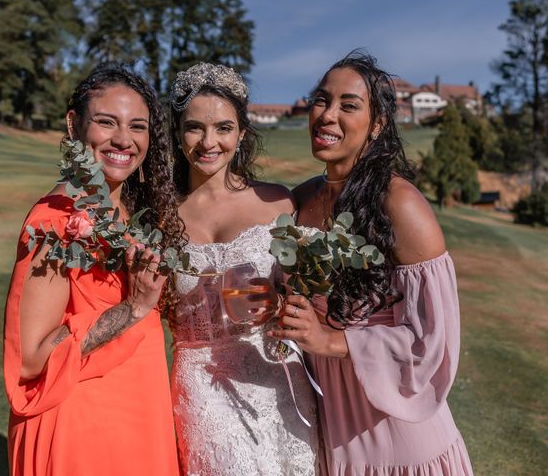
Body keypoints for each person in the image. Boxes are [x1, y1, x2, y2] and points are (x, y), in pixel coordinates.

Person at [269, 50, 474, 475]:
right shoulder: (300, 199)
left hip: (396, 434)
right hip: (328, 425)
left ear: (377, 125)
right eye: (321, 100)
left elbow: (431, 342)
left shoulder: (400, 203)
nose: (327, 115)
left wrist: (331, 340)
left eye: (349, 105)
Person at [3, 63, 182, 475]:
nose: (124, 139)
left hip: (140, 413)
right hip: (83, 426)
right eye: (106, 122)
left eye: (137, 126)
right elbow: (32, 358)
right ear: (73, 124)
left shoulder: (131, 212)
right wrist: (131, 309)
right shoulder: (54, 221)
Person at [167, 62, 319, 475]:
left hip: (276, 371)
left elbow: (305, 289)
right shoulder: (160, 216)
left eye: (223, 128)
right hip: (202, 381)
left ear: (242, 134)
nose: (208, 142)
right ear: (178, 133)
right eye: (194, 127)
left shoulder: (278, 203)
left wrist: (282, 298)